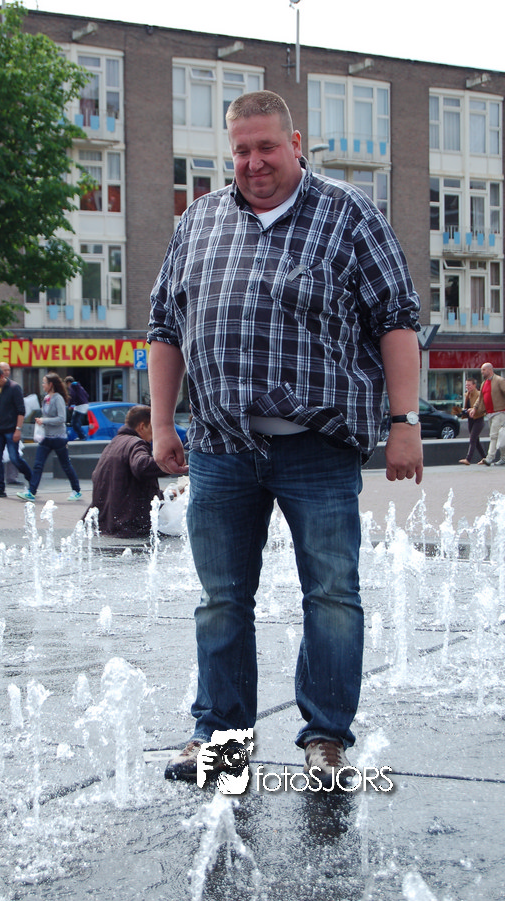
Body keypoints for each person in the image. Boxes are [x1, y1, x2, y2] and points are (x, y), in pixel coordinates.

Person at [147, 90, 423, 787]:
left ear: (295, 144)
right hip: (221, 446)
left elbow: (396, 320)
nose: (254, 162)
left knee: (331, 596)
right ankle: (221, 741)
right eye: (241, 150)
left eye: (267, 146)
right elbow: (164, 327)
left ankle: (326, 739)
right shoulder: (199, 220)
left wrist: (405, 424)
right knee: (221, 600)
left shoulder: (349, 214)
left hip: (317, 446)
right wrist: (162, 423)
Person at [86, 405, 166, 538]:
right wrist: (169, 463)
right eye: (153, 428)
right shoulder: (137, 443)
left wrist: (163, 494)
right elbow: (142, 466)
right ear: (142, 426)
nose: (155, 435)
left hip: (107, 522)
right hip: (128, 525)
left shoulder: (114, 443)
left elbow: (125, 484)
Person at [16, 372, 82, 503]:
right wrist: (41, 420)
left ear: (51, 384)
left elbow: (62, 418)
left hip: (58, 438)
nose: (42, 385)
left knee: (66, 465)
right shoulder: (46, 398)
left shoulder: (58, 398)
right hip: (46, 438)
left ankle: (76, 490)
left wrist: (44, 420)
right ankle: (31, 492)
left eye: (44, 382)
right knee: (38, 465)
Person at [0, 365, 33, 498]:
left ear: (2, 376)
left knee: (14, 458)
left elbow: (21, 411)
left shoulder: (14, 388)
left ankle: (32, 478)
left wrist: (18, 429)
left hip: (11, 430)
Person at [470, 362, 505, 466]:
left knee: (494, 436)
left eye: (483, 370)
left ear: (490, 370)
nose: (482, 372)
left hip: (499, 412)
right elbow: (480, 399)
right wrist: (475, 408)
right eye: (481, 370)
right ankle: (503, 458)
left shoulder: (499, 380)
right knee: (500, 437)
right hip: (489, 414)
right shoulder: (484, 383)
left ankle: (489, 458)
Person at [458, 377, 485, 466]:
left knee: (472, 438)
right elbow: (467, 407)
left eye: (469, 385)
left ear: (474, 385)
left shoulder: (479, 394)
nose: (467, 387)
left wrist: (472, 410)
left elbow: (482, 408)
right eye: (466, 385)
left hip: (478, 419)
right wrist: (463, 411)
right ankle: (485, 458)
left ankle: (468, 459)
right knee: (476, 441)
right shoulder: (467, 395)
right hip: (470, 420)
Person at [64, 376, 89, 441]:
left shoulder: (72, 386)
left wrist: (69, 405)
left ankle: (82, 436)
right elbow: (87, 395)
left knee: (73, 422)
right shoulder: (79, 386)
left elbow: (72, 396)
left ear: (68, 382)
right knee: (78, 421)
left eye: (66, 384)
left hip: (80, 406)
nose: (67, 386)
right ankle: (81, 436)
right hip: (85, 404)